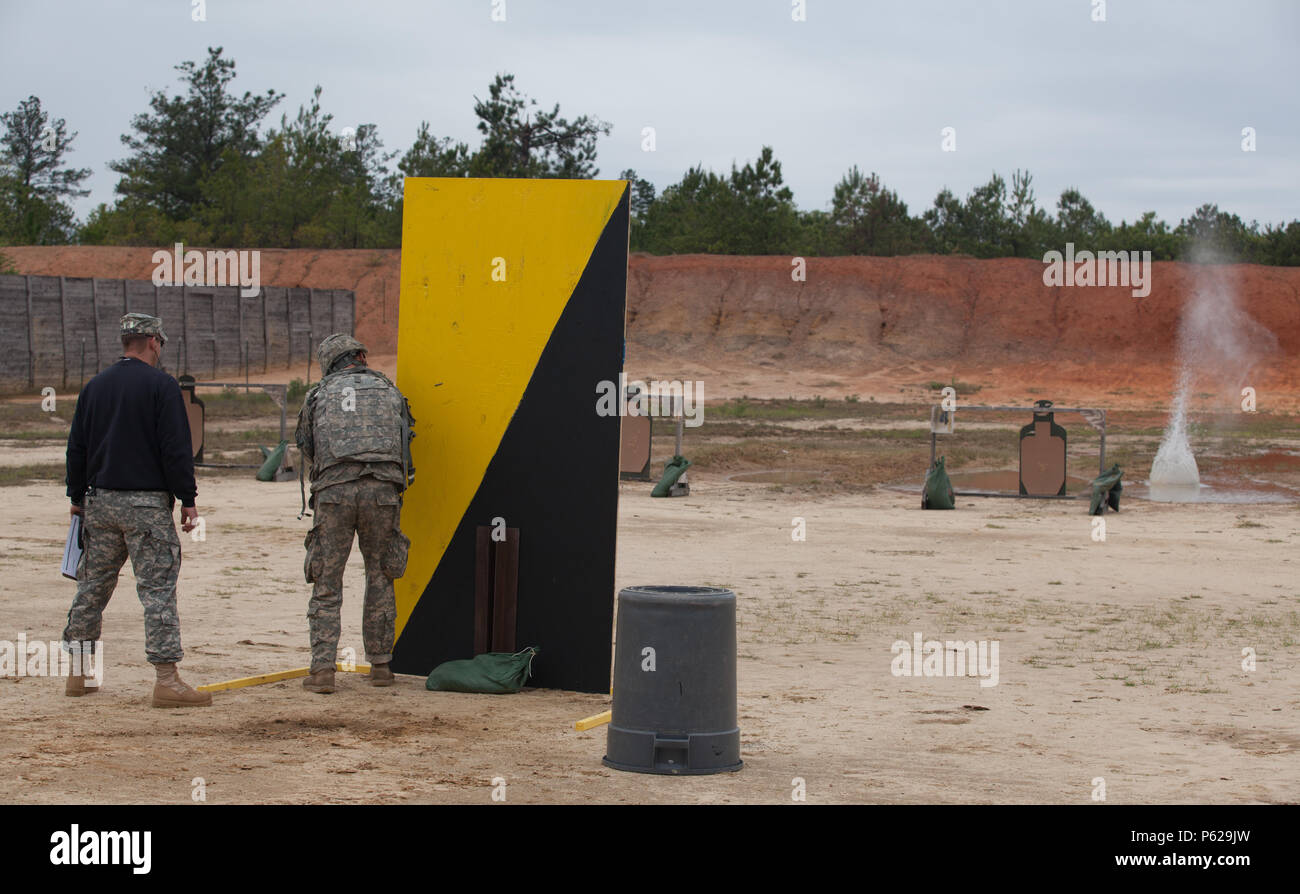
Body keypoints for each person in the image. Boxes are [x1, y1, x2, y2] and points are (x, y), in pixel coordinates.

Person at [62, 313, 211, 707]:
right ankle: (166, 680)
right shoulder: (162, 387)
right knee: (158, 591)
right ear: (153, 342)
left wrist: (77, 499)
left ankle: (79, 675)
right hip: (146, 505)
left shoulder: (94, 387)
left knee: (91, 589)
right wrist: (188, 501)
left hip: (100, 502)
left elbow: (76, 448)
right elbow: (176, 449)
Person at [296, 334, 414, 693]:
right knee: (380, 576)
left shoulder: (318, 394)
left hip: (335, 494)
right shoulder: (390, 392)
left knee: (327, 582)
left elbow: (306, 444)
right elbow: (406, 441)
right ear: (361, 356)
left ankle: (322, 671)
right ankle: (381, 667)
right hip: (382, 492)